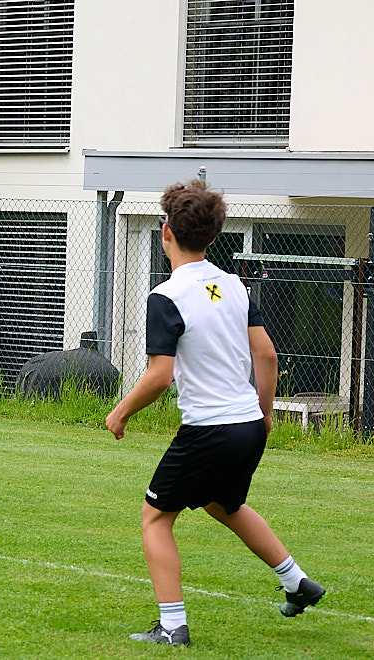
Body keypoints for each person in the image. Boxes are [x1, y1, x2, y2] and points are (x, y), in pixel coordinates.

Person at [105, 179, 324, 647]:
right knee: (224, 504)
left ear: (166, 232)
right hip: (247, 424)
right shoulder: (235, 286)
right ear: (213, 235)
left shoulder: (166, 296)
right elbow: (267, 355)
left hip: (209, 429)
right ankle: (296, 582)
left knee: (155, 518)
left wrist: (120, 412)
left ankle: (172, 627)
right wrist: (264, 414)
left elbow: (159, 375)